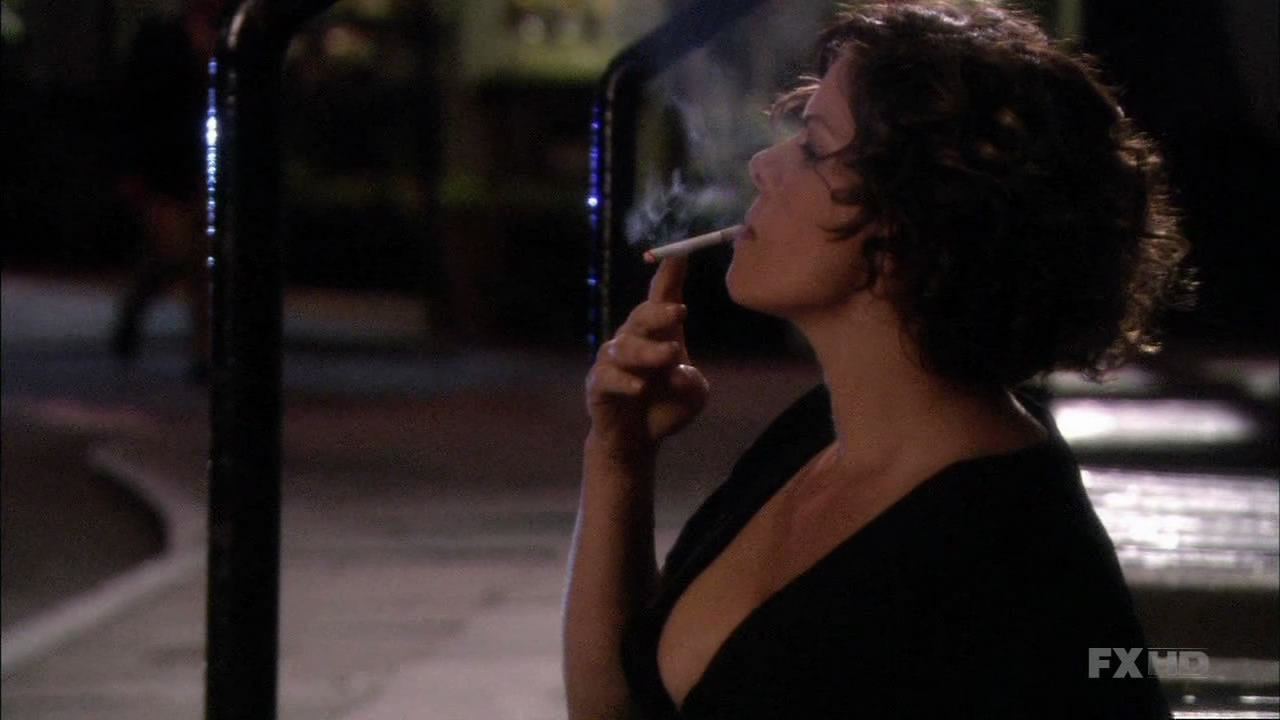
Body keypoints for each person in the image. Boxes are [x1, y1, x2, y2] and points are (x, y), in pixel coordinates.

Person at [563, 2, 1194, 718]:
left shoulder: (998, 549)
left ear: (913, 224)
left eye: (813, 146)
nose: (763, 164)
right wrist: (618, 458)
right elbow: (617, 709)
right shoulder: (815, 438)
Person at [111, 0, 223, 381]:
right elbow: (136, 103)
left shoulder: (232, 33)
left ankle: (205, 351)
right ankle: (135, 306)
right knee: (170, 250)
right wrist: (132, 168)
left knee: (205, 263)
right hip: (166, 167)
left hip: (207, 164)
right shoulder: (160, 37)